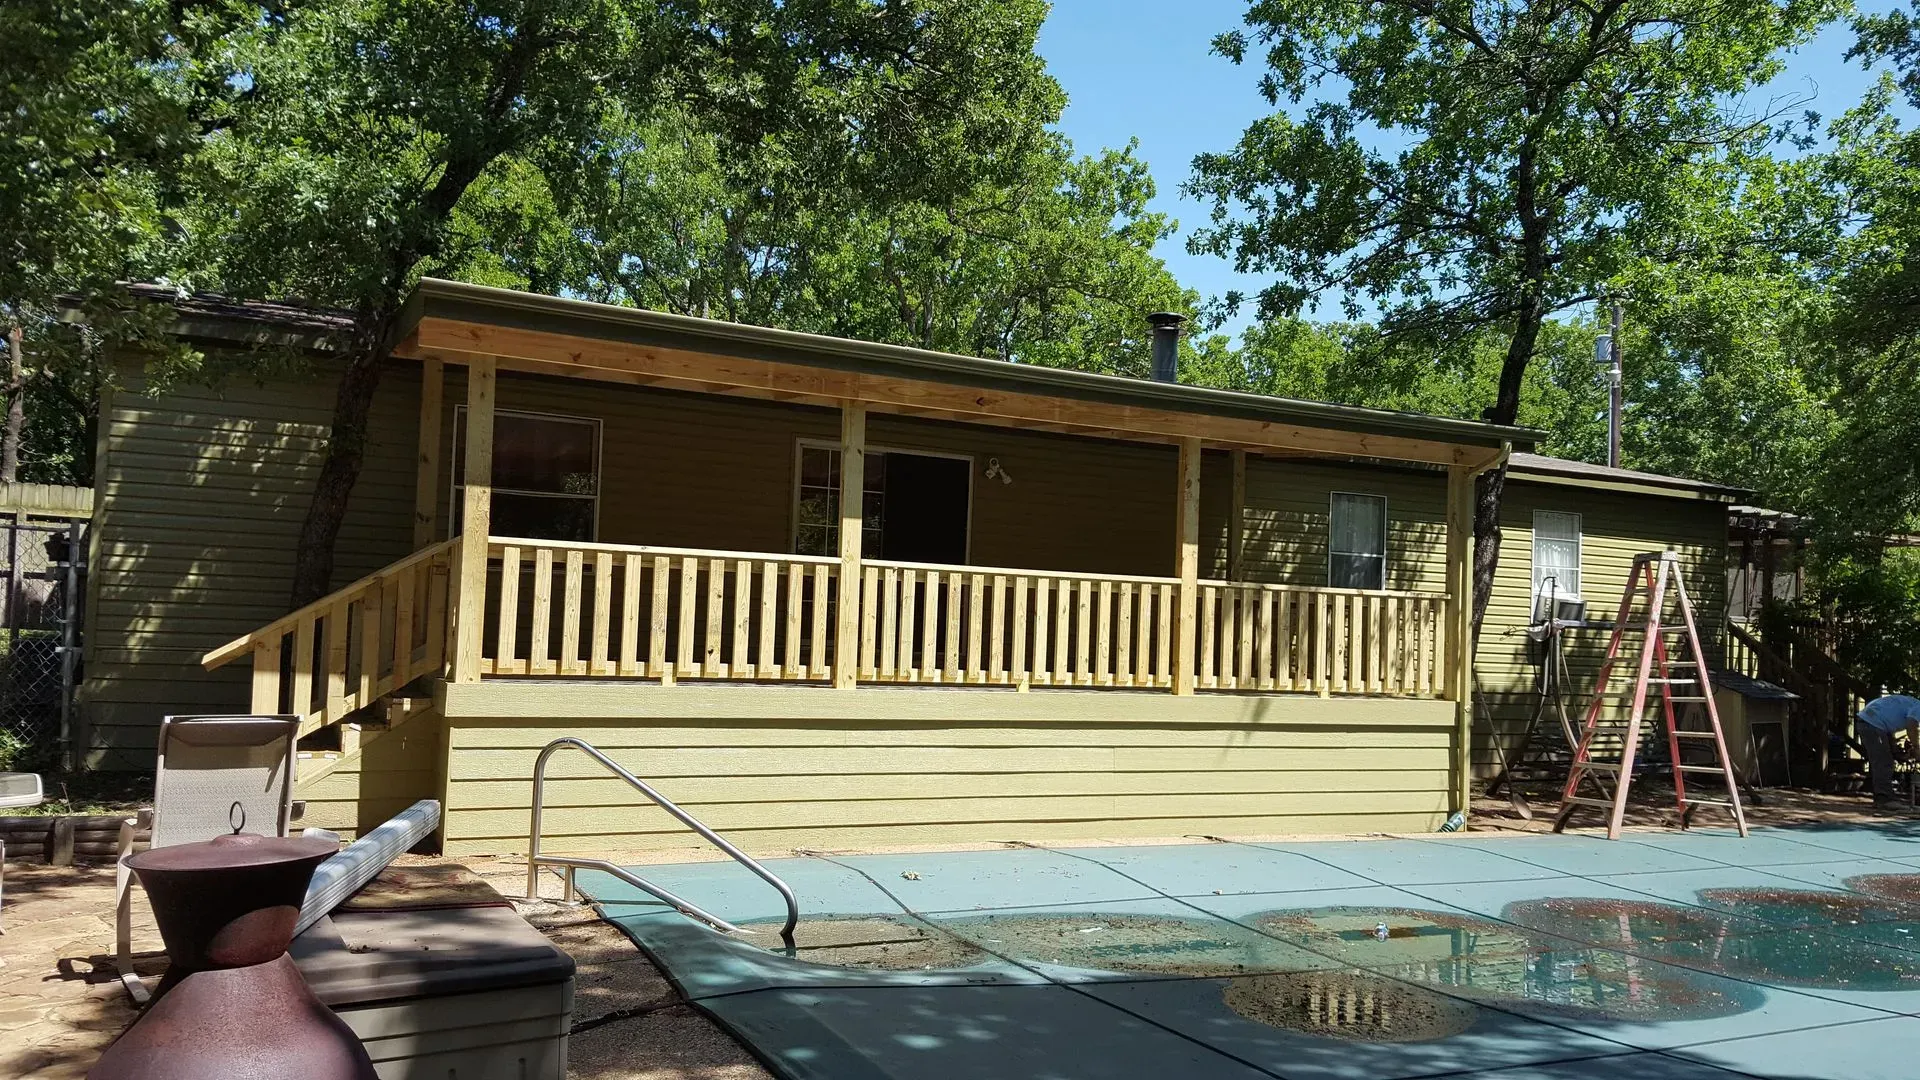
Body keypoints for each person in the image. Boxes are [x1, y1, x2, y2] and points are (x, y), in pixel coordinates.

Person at [1855, 693, 1920, 807]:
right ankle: (1884, 799)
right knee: (1883, 761)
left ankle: (1883, 796)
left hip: (1870, 720)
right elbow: (1911, 726)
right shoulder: (1918, 707)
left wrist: (1895, 750)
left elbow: (1889, 721)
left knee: (1884, 759)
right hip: (1873, 723)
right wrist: (1917, 748)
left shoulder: (1911, 702)